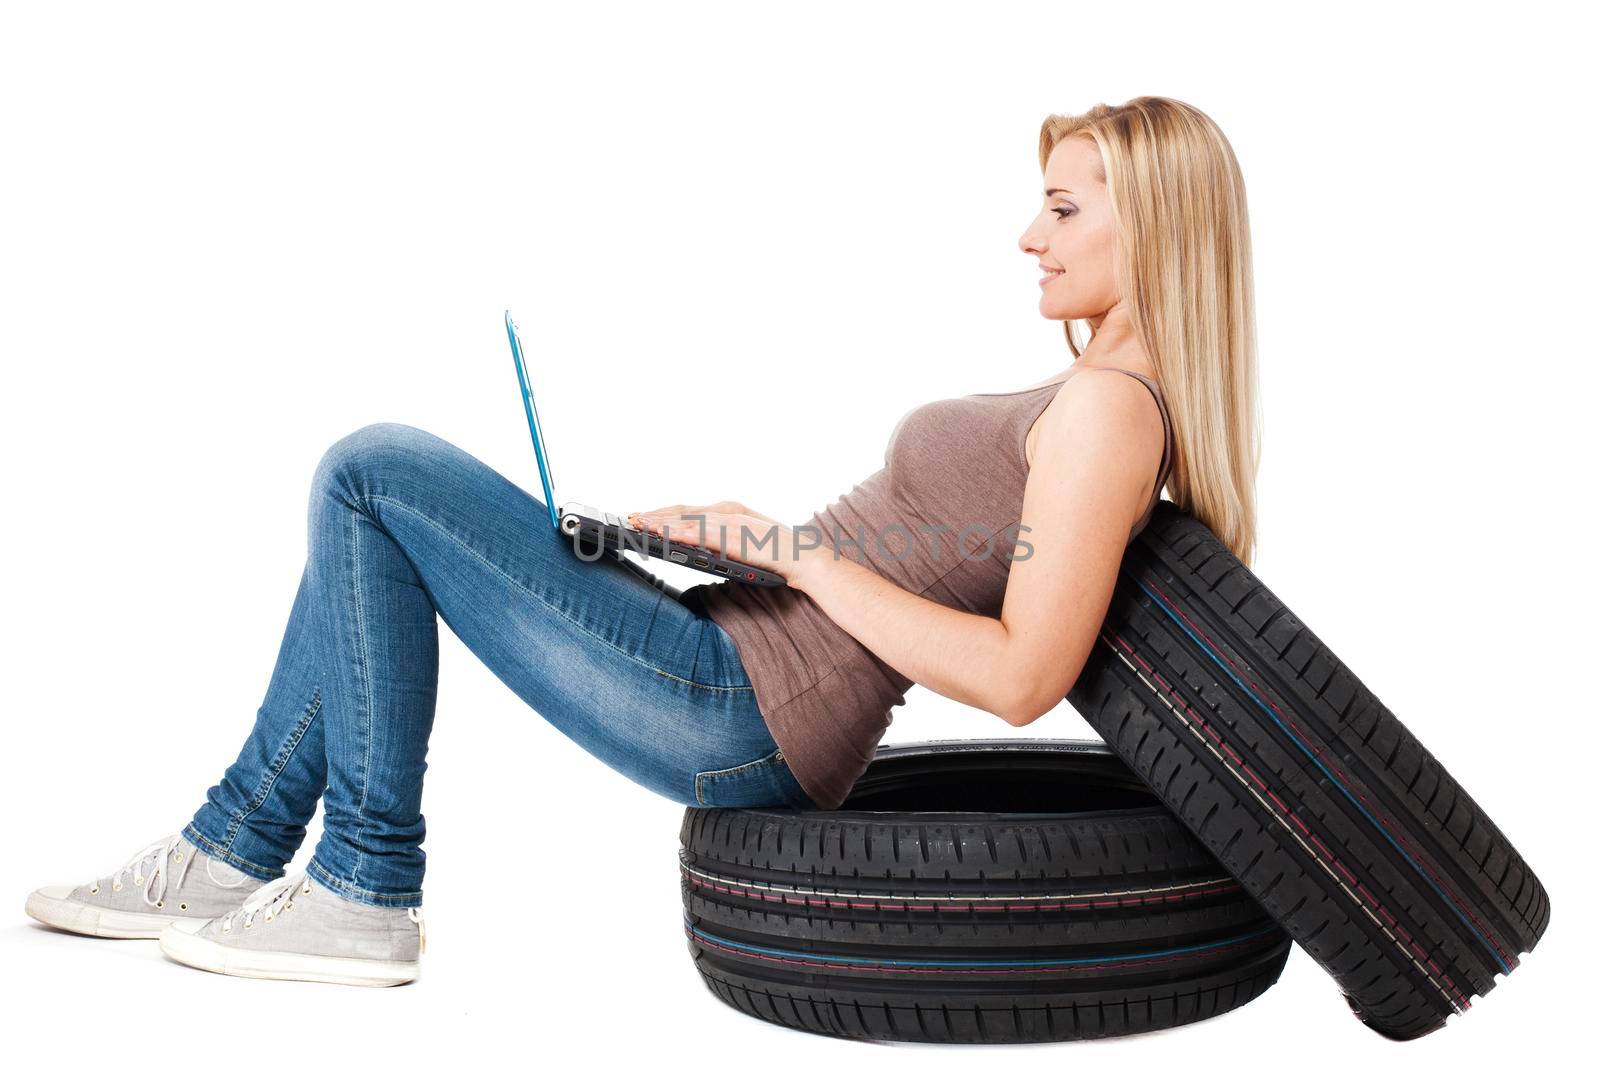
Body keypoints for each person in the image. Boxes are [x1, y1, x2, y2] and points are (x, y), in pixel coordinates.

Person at [25, 95, 1260, 987]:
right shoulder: (1096, 402)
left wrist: (802, 555)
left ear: (1147, 223)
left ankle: (358, 883)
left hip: (743, 708)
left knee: (371, 470)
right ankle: (231, 850)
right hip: (729, 654)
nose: (1027, 238)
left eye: (1058, 208)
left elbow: (1019, 675)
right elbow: (927, 551)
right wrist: (736, 549)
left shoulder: (1106, 413)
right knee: (379, 513)